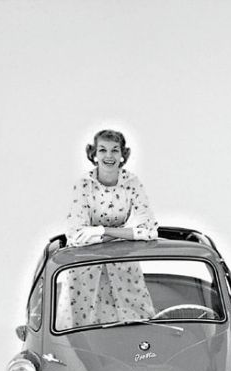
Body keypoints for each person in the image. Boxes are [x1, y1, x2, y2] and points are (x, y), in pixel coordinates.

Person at [57, 129, 157, 329]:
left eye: (114, 150)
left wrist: (101, 231)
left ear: (122, 155)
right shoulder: (84, 185)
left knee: (136, 323)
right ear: (94, 154)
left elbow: (150, 230)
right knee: (81, 328)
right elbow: (76, 236)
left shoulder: (132, 183)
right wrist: (127, 233)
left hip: (123, 262)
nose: (109, 156)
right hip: (84, 266)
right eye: (102, 150)